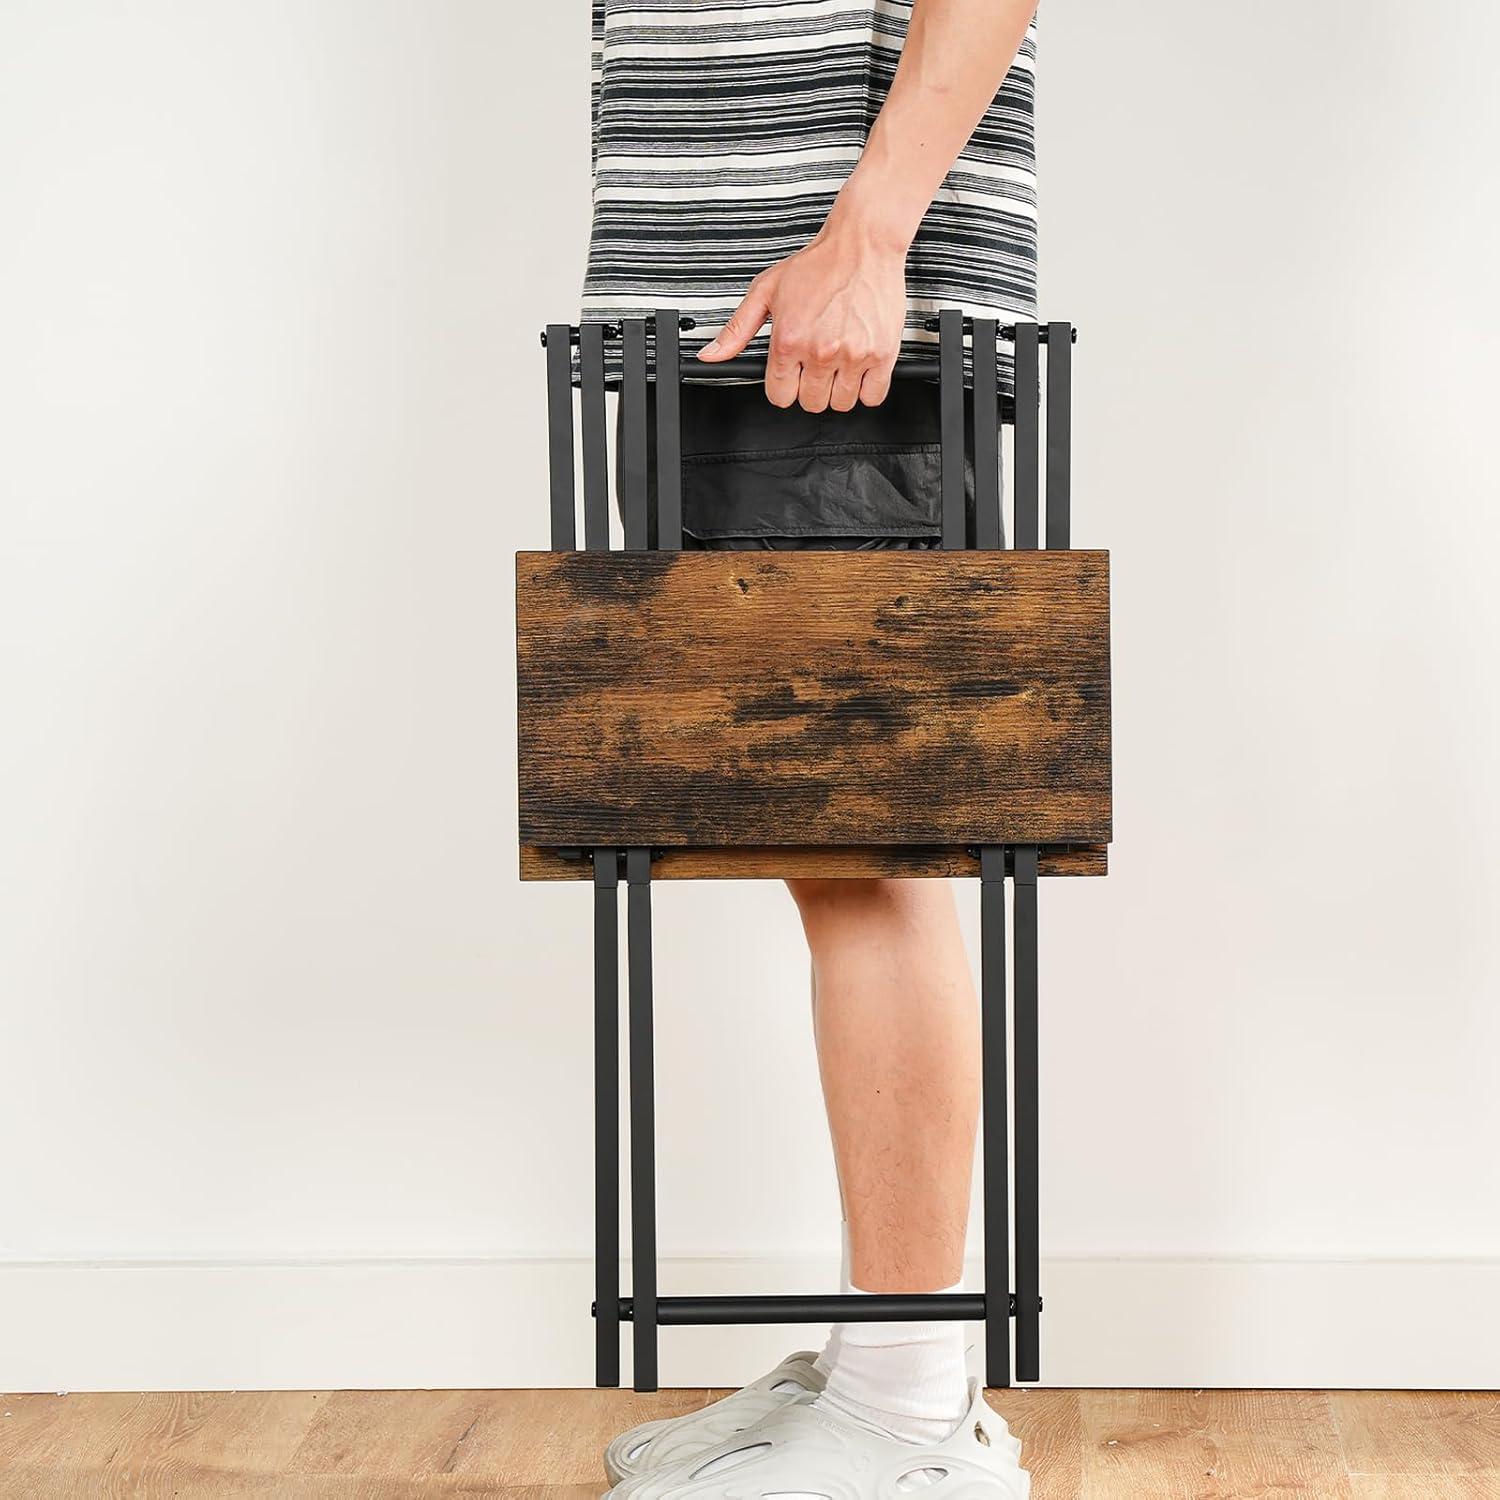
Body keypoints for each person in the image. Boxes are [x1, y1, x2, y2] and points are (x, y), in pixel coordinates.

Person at [583, 2, 1040, 1494]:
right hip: (724, 317)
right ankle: (882, 1368)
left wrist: (869, 238)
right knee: (822, 846)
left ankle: (910, 1411)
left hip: (828, 325)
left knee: (867, 844)